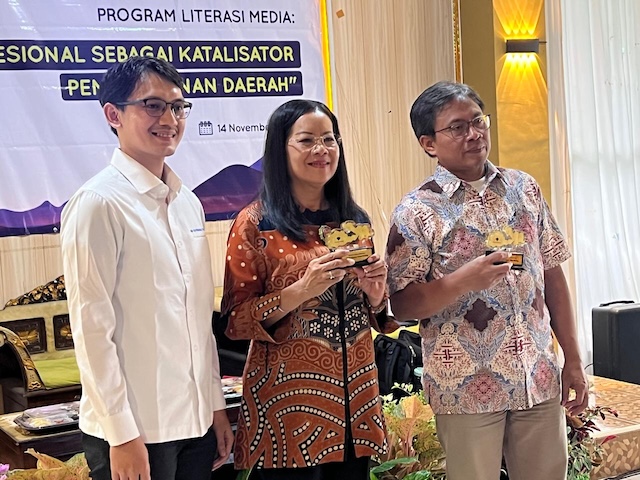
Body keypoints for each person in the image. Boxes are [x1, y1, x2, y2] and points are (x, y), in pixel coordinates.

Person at [385, 81, 588, 480]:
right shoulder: (417, 210)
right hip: (466, 389)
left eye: (478, 121)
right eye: (457, 127)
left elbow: (551, 272)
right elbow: (402, 304)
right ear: (429, 144)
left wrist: (574, 359)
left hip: (537, 376)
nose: (474, 134)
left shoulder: (524, 188)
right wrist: (462, 281)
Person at [61, 56, 233, 480]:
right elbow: (91, 329)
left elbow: (197, 321)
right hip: (135, 431)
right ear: (113, 114)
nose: (169, 119)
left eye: (178, 107)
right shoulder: (98, 204)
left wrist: (215, 406)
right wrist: (120, 434)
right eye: (153, 106)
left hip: (195, 422)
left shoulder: (187, 202)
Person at [220, 99, 395, 480]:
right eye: (306, 140)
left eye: (329, 139)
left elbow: (374, 311)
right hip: (289, 411)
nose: (322, 150)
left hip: (356, 403)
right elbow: (236, 321)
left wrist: (376, 292)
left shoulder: (354, 219)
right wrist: (300, 290)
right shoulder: (254, 224)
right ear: (280, 150)